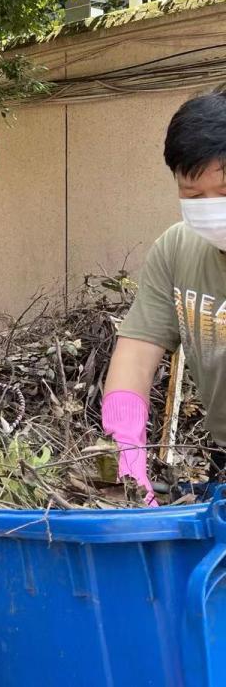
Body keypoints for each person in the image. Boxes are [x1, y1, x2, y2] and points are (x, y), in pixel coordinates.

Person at [105, 91, 226, 506]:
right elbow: (134, 360)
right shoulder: (177, 250)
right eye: (194, 196)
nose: (213, 208)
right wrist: (129, 465)